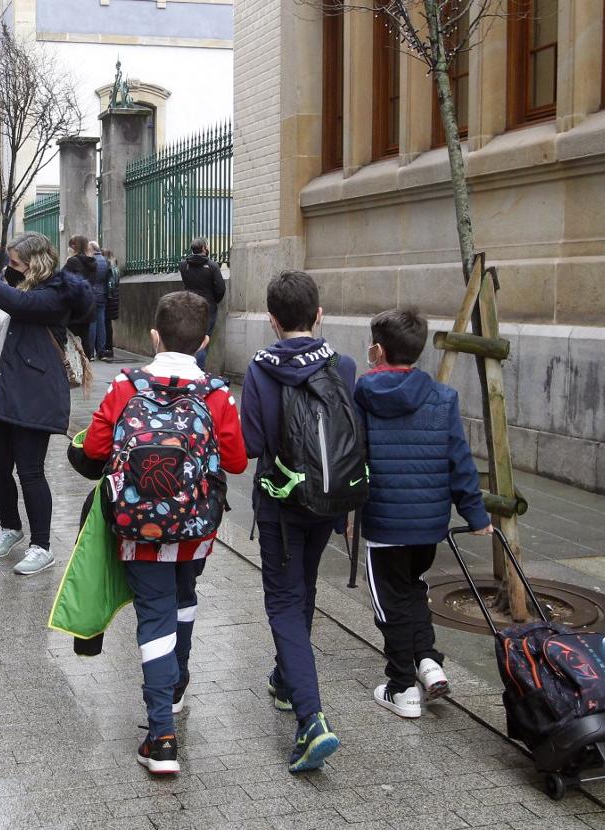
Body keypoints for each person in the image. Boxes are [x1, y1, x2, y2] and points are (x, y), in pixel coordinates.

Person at [80, 291, 246, 775]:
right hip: (195, 527)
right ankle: (175, 685)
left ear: (154, 337)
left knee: (153, 616)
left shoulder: (126, 385)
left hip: (138, 529)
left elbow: (94, 448)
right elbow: (236, 461)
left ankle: (162, 738)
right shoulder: (216, 393)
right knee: (185, 594)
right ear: (204, 342)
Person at [354, 308, 492, 719]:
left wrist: (345, 509)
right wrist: (477, 514)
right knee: (413, 587)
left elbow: (354, 458)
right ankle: (428, 662)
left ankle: (401, 689)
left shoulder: (362, 395)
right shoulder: (442, 397)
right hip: (429, 524)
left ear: (377, 350)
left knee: (389, 604)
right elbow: (459, 460)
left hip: (384, 522)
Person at [241, 270, 354, 774]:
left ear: (272, 321)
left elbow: (250, 448)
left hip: (281, 504)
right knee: (303, 589)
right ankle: (287, 679)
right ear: (319, 314)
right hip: (329, 503)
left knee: (284, 603)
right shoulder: (344, 365)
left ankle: (311, 721)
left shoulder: (260, 371)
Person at [0, 233, 93, 576]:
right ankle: (11, 527)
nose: (10, 267)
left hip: (32, 394)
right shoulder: (9, 285)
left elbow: (21, 306)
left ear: (36, 262)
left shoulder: (56, 294)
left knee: (30, 471)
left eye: (16, 262)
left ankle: (41, 546)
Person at [179, 238, 226, 370]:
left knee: (190, 338)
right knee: (203, 340)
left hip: (189, 305)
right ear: (205, 249)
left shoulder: (184, 265)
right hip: (207, 307)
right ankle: (198, 371)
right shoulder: (212, 266)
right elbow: (221, 289)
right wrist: (213, 300)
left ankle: (187, 369)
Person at [63, 235, 99, 358]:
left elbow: (64, 279)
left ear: (74, 246)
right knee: (85, 337)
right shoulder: (92, 262)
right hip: (88, 303)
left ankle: (77, 365)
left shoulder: (72, 261)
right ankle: (86, 364)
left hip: (75, 306)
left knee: (73, 339)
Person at [86, 241, 109, 361]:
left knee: (92, 323)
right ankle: (101, 350)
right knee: (102, 323)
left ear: (92, 249)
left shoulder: (91, 261)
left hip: (92, 294)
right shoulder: (105, 261)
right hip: (103, 294)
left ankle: (91, 352)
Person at [103, 248, 120, 360]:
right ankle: (109, 346)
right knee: (108, 323)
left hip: (109, 299)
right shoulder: (116, 269)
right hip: (114, 298)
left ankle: (108, 346)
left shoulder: (110, 269)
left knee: (106, 323)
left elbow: (110, 285)